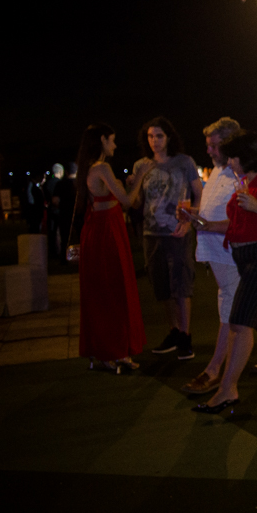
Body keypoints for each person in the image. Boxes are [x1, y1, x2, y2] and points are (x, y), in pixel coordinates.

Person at [191, 130, 257, 413]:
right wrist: (205, 224)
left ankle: (227, 389)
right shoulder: (244, 182)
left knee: (239, 323)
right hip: (247, 257)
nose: (229, 163)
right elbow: (238, 224)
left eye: (233, 158)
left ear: (246, 156)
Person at [74, 124, 153, 372]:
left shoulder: (88, 168)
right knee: (115, 290)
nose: (115, 146)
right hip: (108, 231)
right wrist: (141, 176)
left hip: (98, 230)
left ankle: (109, 351)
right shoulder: (102, 167)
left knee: (103, 292)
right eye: (112, 140)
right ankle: (114, 352)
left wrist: (131, 183)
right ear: (102, 140)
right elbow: (127, 201)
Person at [178, 117, 242, 395]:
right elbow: (211, 211)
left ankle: (215, 370)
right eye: (208, 145)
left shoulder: (240, 174)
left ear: (229, 144)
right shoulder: (216, 171)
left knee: (230, 312)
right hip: (215, 254)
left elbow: (244, 221)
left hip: (231, 255)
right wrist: (192, 214)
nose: (209, 151)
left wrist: (206, 225)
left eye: (214, 145)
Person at [133, 116, 202, 360]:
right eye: (150, 136)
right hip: (151, 233)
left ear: (169, 137)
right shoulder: (141, 165)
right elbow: (137, 202)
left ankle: (185, 335)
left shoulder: (184, 162)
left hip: (177, 231)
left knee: (181, 284)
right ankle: (173, 331)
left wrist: (190, 220)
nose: (155, 141)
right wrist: (134, 181)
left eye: (159, 136)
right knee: (161, 285)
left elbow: (198, 193)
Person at [54, 163, 78, 263]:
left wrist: (61, 206)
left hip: (64, 213)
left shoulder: (60, 184)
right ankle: (79, 256)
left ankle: (64, 258)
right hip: (77, 213)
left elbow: (55, 200)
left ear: (66, 172)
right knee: (79, 236)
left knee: (64, 237)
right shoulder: (79, 184)